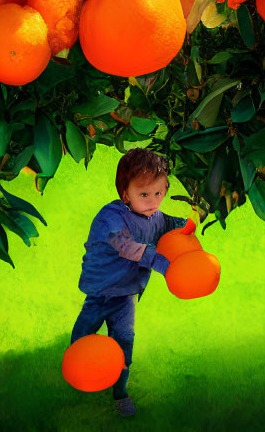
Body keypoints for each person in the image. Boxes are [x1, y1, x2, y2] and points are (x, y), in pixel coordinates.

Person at [72, 148, 191, 418]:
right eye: (144, 194)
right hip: (101, 290)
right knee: (83, 336)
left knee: (125, 342)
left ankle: (120, 394)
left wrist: (186, 226)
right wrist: (163, 264)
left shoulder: (154, 216)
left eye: (159, 193)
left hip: (126, 294)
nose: (153, 201)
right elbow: (127, 247)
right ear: (125, 194)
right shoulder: (110, 218)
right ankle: (81, 368)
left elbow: (168, 223)